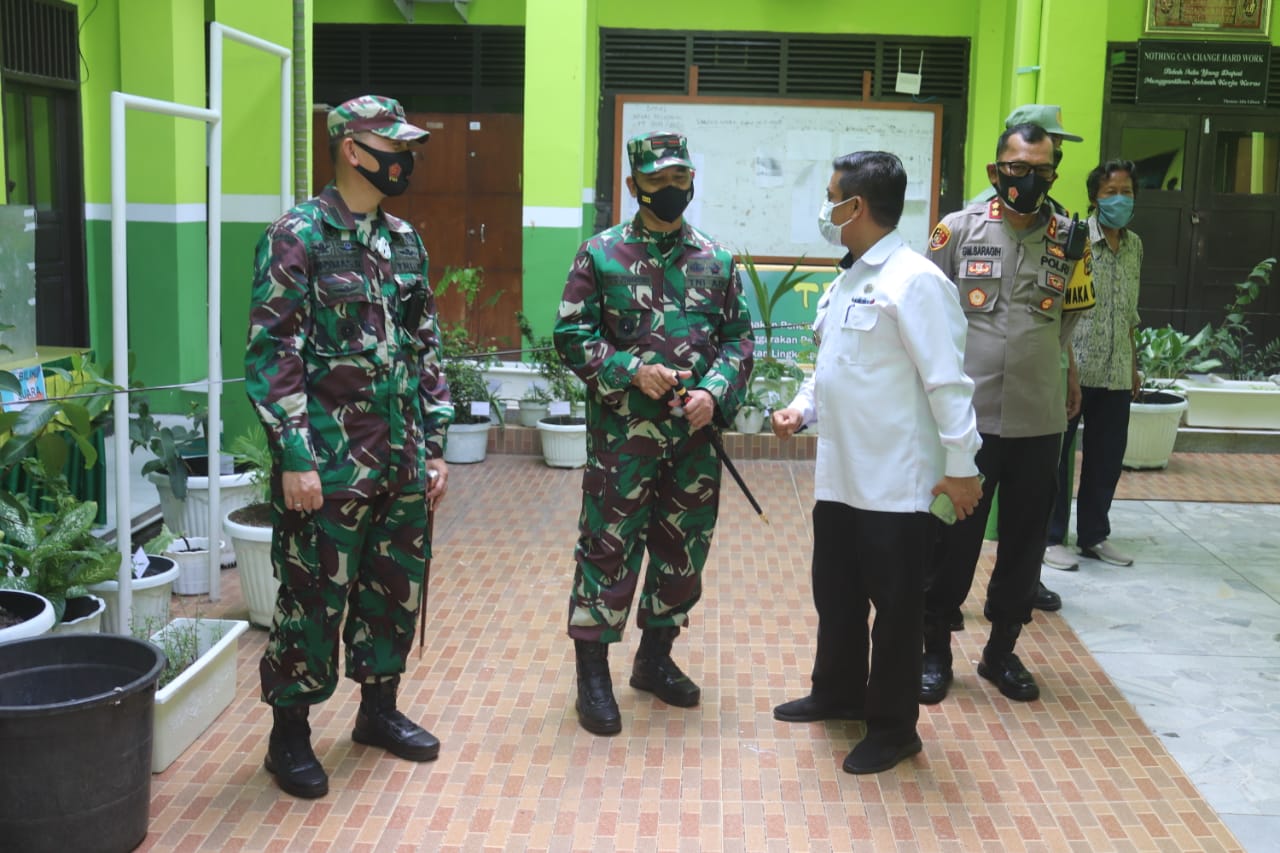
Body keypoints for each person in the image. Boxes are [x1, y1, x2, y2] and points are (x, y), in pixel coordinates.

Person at [245, 95, 452, 799]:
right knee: (311, 598)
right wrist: (295, 455)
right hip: (328, 464)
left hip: (400, 458)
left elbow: (425, 344)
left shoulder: (406, 240)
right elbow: (272, 354)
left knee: (394, 590)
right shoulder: (296, 234)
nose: (406, 158)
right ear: (353, 150)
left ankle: (378, 712)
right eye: (394, 145)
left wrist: (434, 443)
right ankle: (290, 736)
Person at [770, 152, 983, 774]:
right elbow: (830, 369)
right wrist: (799, 410)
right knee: (836, 596)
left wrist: (963, 465)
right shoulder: (847, 280)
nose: (826, 207)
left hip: (896, 485)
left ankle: (893, 729)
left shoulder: (915, 282)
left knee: (895, 614)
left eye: (831, 195)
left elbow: (948, 383)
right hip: (840, 480)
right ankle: (838, 693)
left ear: (854, 207)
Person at [554, 130, 754, 736]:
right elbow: (570, 336)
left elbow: (739, 341)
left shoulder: (716, 259)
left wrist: (713, 393)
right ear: (634, 183)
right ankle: (593, 675)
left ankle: (655, 660)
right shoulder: (602, 255)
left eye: (679, 178)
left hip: (693, 443)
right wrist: (630, 371)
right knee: (609, 550)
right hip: (623, 444)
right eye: (658, 179)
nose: (671, 188)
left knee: (682, 551)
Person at [919, 122, 1094, 706]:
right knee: (951, 540)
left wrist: (1064, 369)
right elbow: (926, 311)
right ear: (997, 172)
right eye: (1018, 168)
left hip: (1039, 417)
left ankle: (1001, 652)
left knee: (1025, 542)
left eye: (1042, 169)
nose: (1030, 179)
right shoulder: (958, 231)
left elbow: (1069, 318)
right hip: (966, 420)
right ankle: (935, 652)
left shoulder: (1072, 237)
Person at [1044, 160, 1143, 569]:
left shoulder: (1136, 245)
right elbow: (1061, 310)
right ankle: (1051, 539)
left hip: (1117, 370)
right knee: (1057, 459)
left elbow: (1132, 312)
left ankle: (1094, 536)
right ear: (1094, 198)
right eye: (1110, 192)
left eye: (1127, 192)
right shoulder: (1076, 240)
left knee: (1106, 459)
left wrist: (1134, 364)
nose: (1120, 199)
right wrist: (1067, 367)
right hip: (1076, 371)